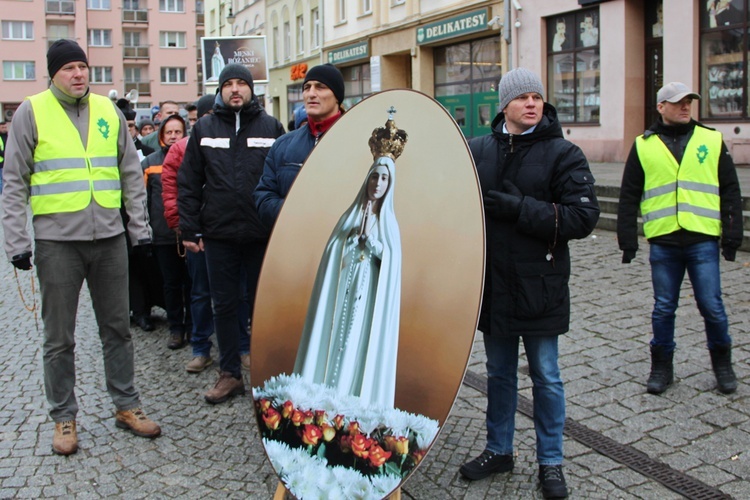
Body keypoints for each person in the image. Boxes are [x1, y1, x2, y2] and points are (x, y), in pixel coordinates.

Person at [1, 39, 161, 456]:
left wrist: (139, 230)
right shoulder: (31, 112)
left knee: (118, 329)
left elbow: (130, 172)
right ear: (53, 73)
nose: (78, 74)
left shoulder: (108, 111)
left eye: (82, 67)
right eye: (69, 68)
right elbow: (14, 181)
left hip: (108, 238)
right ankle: (64, 417)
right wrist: (18, 243)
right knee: (59, 337)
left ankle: (126, 405)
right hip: (57, 243)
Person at [459, 68, 599, 499]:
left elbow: (582, 217)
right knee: (499, 374)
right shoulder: (478, 149)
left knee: (546, 376)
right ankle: (499, 449)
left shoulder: (563, 153)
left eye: (537, 96)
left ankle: (551, 462)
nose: (532, 103)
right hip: (495, 285)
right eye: (522, 97)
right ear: (504, 105)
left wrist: (520, 208)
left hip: (541, 284)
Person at [617, 82, 743, 396]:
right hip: (663, 240)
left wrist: (732, 236)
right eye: (678, 102)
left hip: (702, 238)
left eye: (689, 101)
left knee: (712, 306)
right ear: (661, 107)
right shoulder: (644, 145)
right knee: (663, 308)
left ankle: (723, 366)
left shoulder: (711, 140)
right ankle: (661, 367)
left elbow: (730, 190)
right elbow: (629, 195)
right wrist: (627, 240)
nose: (685, 106)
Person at [178, 64, 285, 404]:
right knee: (223, 305)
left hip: (262, 234)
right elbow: (189, 180)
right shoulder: (205, 128)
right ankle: (229, 374)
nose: (235, 89)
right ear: (221, 90)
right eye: (229, 84)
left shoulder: (271, 127)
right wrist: (190, 227)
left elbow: (284, 178)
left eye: (242, 83)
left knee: (265, 307)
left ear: (252, 89)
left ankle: (272, 377)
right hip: (219, 234)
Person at [294, 112, 405, 409]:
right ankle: (325, 390)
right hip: (344, 283)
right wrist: (348, 242)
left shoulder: (389, 223)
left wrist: (376, 245)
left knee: (357, 338)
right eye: (375, 177)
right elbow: (332, 250)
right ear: (367, 178)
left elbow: (392, 264)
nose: (378, 184)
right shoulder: (352, 215)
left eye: (384, 179)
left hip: (368, 291)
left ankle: (350, 395)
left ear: (390, 184)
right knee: (336, 334)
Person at [162, 94, 218, 372]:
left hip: (227, 231)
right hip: (197, 232)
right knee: (199, 292)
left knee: (237, 294)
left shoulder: (227, 143)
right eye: (200, 118)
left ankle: (241, 347)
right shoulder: (181, 149)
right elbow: (173, 190)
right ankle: (200, 347)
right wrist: (181, 225)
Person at [254, 63, 346, 230]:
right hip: (293, 243)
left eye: (321, 87)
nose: (311, 93)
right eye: (307, 87)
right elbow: (263, 198)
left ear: (337, 97)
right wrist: (295, 211)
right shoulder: (283, 145)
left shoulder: (358, 142)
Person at [142, 114, 192, 350]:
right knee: (171, 284)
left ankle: (193, 326)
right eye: (169, 132)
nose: (173, 136)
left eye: (178, 132)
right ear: (161, 135)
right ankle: (176, 328)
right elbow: (144, 199)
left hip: (190, 232)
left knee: (192, 283)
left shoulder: (193, 157)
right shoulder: (150, 163)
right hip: (163, 234)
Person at [0, 119, 8, 194]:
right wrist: (5, 154)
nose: (5, 129)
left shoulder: (8, 136)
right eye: (3, 127)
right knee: (1, 180)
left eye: (5, 127)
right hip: (1, 162)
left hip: (7, 161)